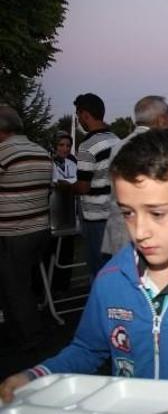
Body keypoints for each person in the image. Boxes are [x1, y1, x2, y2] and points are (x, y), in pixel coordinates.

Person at [0, 128, 168, 409]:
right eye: (128, 212)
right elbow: (87, 349)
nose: (140, 231)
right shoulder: (111, 279)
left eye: (157, 213)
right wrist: (37, 376)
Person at [0, 105, 52, 352]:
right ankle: (18, 332)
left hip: (13, 231)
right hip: (40, 228)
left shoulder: (4, 152)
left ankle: (30, 338)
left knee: (15, 287)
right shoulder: (40, 151)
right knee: (23, 283)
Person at [101, 95, 168, 258]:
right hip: (147, 233)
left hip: (120, 228)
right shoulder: (158, 147)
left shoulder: (119, 145)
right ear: (161, 120)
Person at [61, 93, 120, 278]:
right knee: (115, 270)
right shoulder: (117, 140)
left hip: (96, 219)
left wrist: (67, 187)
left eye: (79, 116)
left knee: (100, 272)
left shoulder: (87, 145)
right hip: (116, 215)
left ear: (85, 115)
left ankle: (100, 306)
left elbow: (83, 187)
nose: (79, 121)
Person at [49, 133, 78, 291]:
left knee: (67, 253)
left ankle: (64, 288)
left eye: (67, 145)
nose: (65, 148)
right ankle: (50, 288)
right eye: (61, 145)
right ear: (55, 146)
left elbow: (76, 182)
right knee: (52, 254)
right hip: (54, 216)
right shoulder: (48, 163)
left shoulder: (72, 163)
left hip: (69, 214)